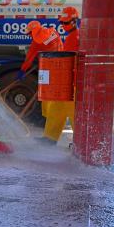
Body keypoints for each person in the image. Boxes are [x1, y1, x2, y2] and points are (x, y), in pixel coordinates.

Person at [40, 7, 80, 144]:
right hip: (66, 82)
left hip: (71, 83)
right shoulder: (71, 37)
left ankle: (80, 142)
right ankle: (49, 138)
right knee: (56, 109)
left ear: (74, 21)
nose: (63, 26)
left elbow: (69, 62)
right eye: (62, 23)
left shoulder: (75, 37)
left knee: (74, 113)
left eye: (66, 23)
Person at [17, 20, 63, 126]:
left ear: (33, 32)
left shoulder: (35, 44)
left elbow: (29, 58)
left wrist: (22, 70)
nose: (29, 36)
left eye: (29, 34)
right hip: (61, 68)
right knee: (53, 95)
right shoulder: (54, 32)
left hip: (47, 70)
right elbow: (60, 47)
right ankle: (48, 119)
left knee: (45, 94)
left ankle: (46, 120)